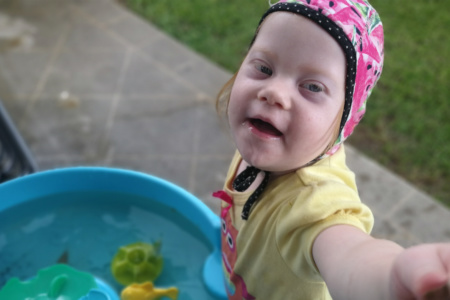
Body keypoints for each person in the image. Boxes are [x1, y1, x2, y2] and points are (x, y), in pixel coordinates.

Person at [212, 0, 450, 299]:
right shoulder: (265, 139)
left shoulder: (314, 201)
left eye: (312, 87)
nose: (274, 93)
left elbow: (350, 254)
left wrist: (389, 278)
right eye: (263, 67)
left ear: (346, 118)